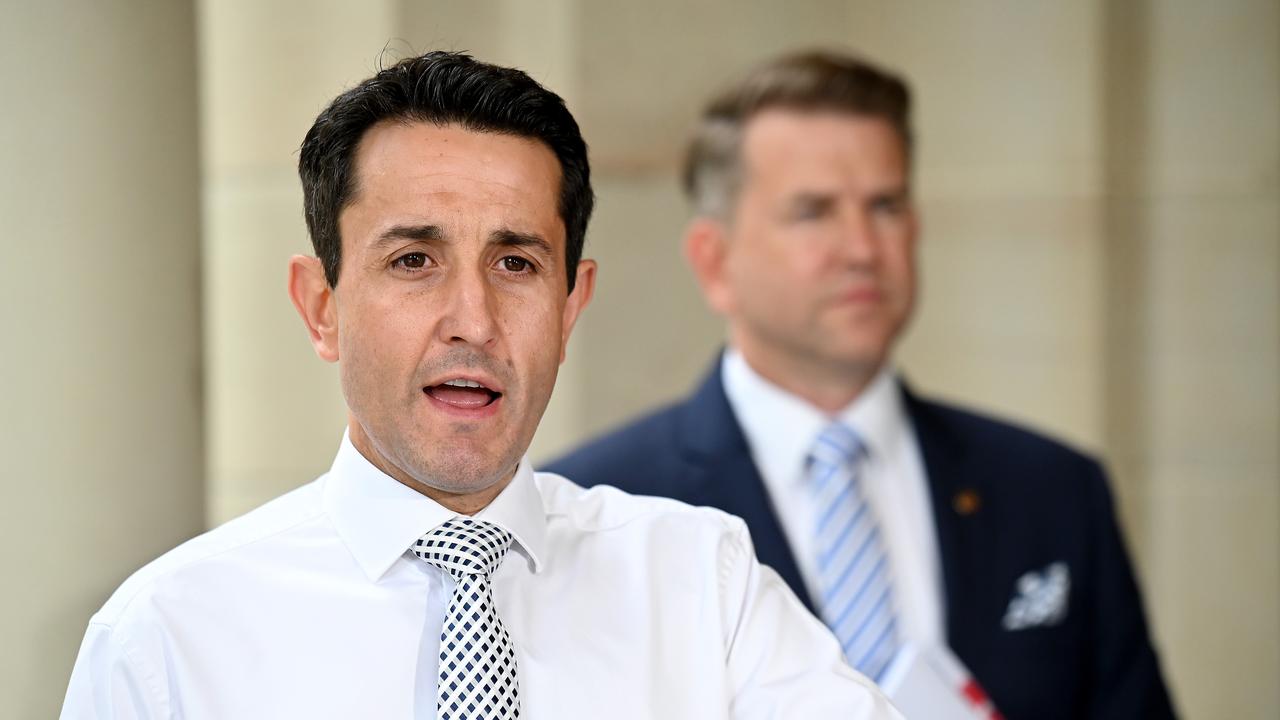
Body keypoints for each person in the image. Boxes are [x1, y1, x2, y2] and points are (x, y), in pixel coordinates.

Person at [60, 52, 901, 719]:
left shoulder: (705, 588)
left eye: (515, 262)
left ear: (572, 307)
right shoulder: (169, 638)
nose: (474, 318)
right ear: (321, 309)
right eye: (414, 261)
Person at [547, 50, 1177, 720]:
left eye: (885, 204)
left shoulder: (1052, 490)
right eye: (814, 211)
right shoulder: (595, 508)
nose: (863, 248)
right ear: (715, 260)